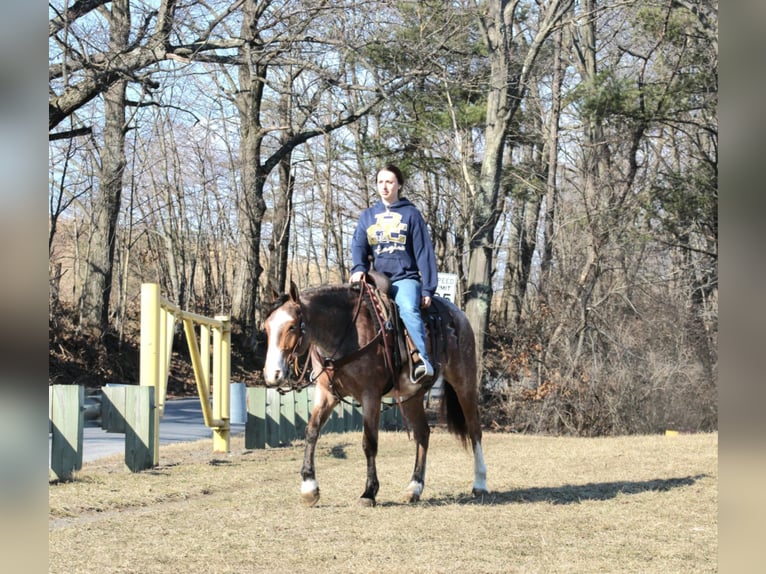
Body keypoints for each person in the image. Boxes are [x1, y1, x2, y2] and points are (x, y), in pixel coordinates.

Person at [350, 164, 437, 383]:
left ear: (399, 184)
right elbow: (359, 246)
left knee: (407, 309)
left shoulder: (411, 215)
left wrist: (427, 287)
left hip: (404, 279)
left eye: (390, 181)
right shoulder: (368, 216)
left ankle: (420, 360)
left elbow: (424, 252)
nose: (385, 186)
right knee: (350, 311)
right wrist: (359, 269)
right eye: (381, 182)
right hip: (376, 279)